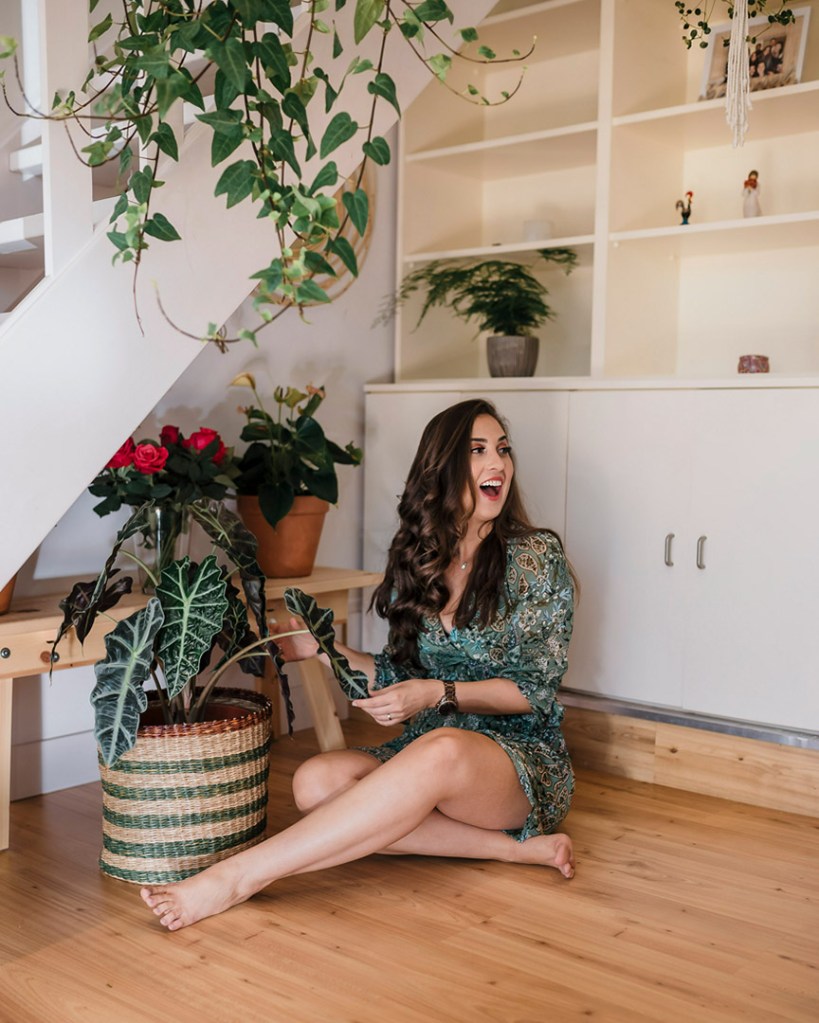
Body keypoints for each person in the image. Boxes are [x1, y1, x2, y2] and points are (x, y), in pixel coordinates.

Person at [140, 398, 577, 930]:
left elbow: (535, 691)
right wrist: (321, 650)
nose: (499, 465)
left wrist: (438, 694)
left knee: (439, 749)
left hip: (516, 763)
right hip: (429, 752)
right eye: (478, 451)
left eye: (503, 451)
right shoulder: (419, 560)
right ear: (440, 469)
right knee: (315, 784)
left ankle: (238, 877)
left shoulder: (534, 557)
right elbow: (397, 677)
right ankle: (511, 851)